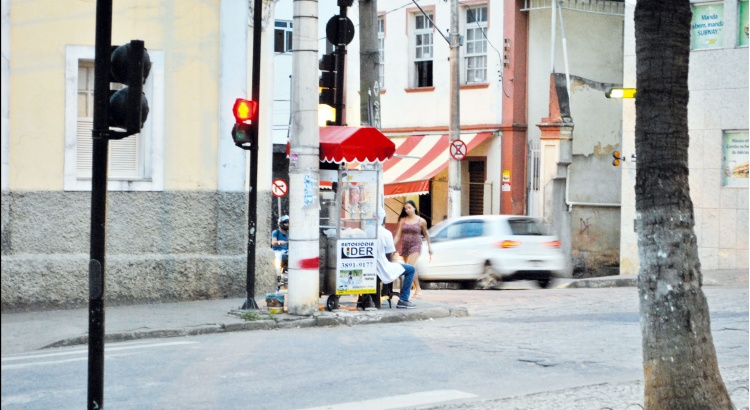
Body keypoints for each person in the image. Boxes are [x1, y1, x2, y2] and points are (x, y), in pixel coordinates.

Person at [376, 208, 416, 309]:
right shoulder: (386, 233)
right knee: (411, 269)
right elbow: (389, 254)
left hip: (370, 266)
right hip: (382, 265)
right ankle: (403, 300)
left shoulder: (366, 231)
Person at [394, 200, 432, 297]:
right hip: (405, 245)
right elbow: (398, 235)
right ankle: (417, 288)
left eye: (409, 208)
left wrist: (429, 247)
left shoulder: (421, 221)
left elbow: (426, 234)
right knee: (411, 268)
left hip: (416, 245)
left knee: (410, 266)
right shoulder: (403, 220)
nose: (407, 210)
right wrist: (392, 246)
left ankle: (409, 292)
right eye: (405, 208)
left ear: (414, 208)